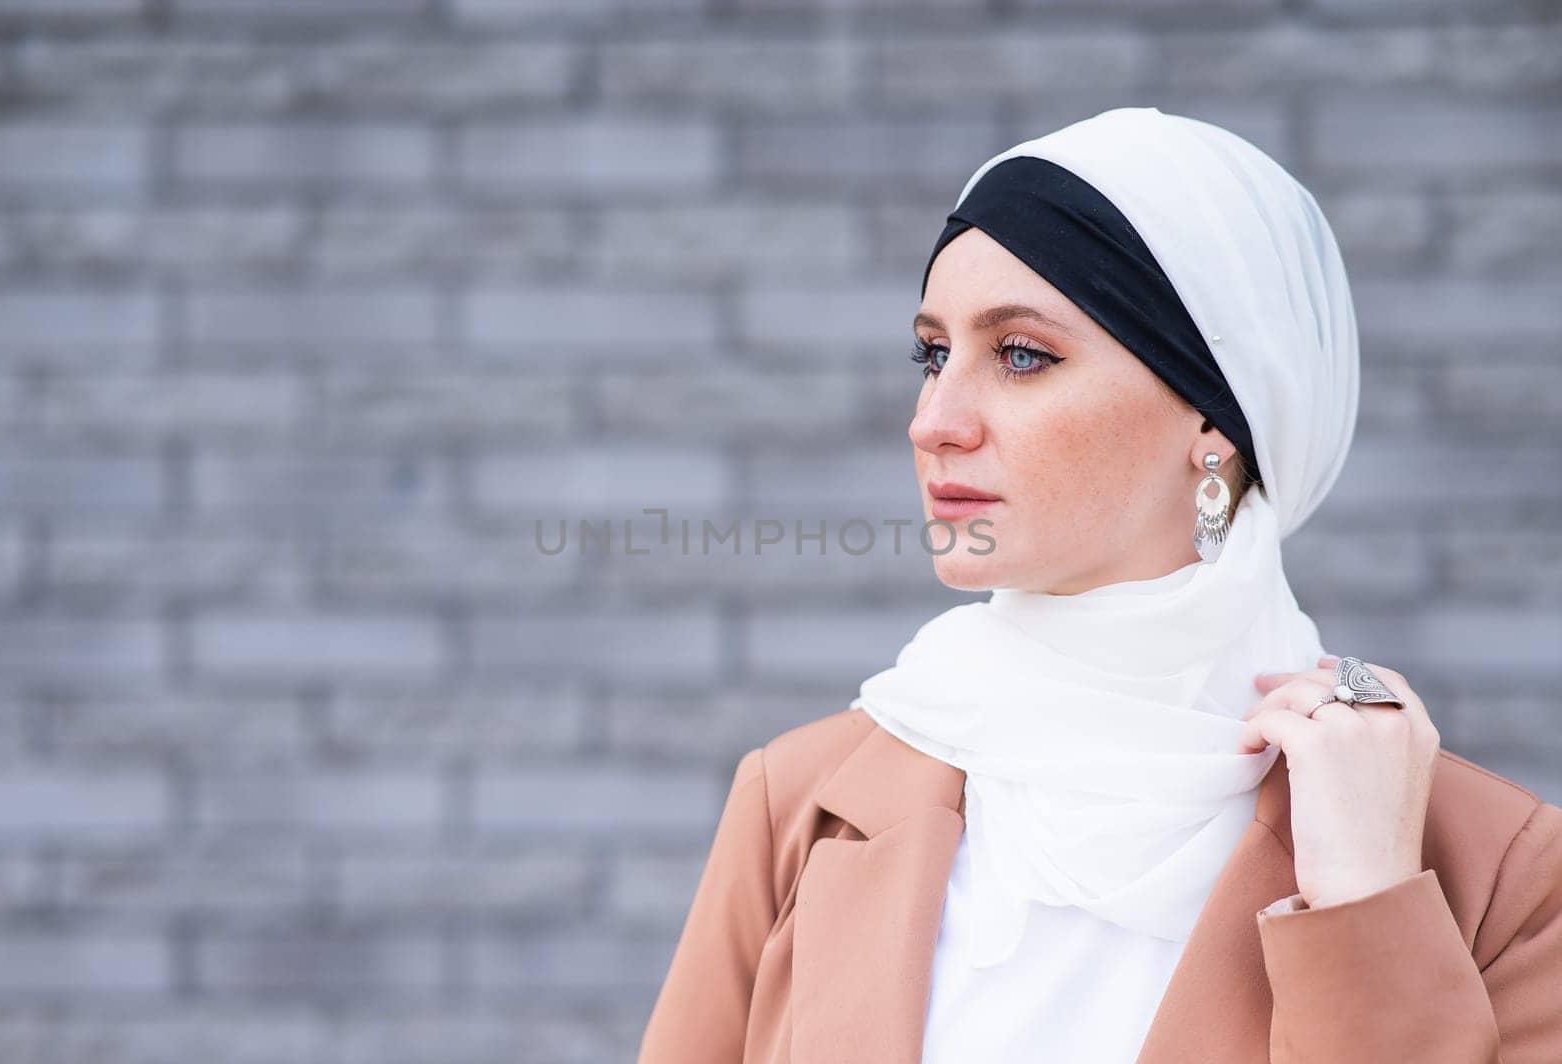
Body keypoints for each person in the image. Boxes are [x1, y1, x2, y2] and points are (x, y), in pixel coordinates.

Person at [636, 106, 1562, 1063]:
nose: (933, 420)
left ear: (1214, 421)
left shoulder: (1492, 872)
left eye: (1022, 355)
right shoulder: (798, 803)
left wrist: (1369, 903)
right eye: (934, 354)